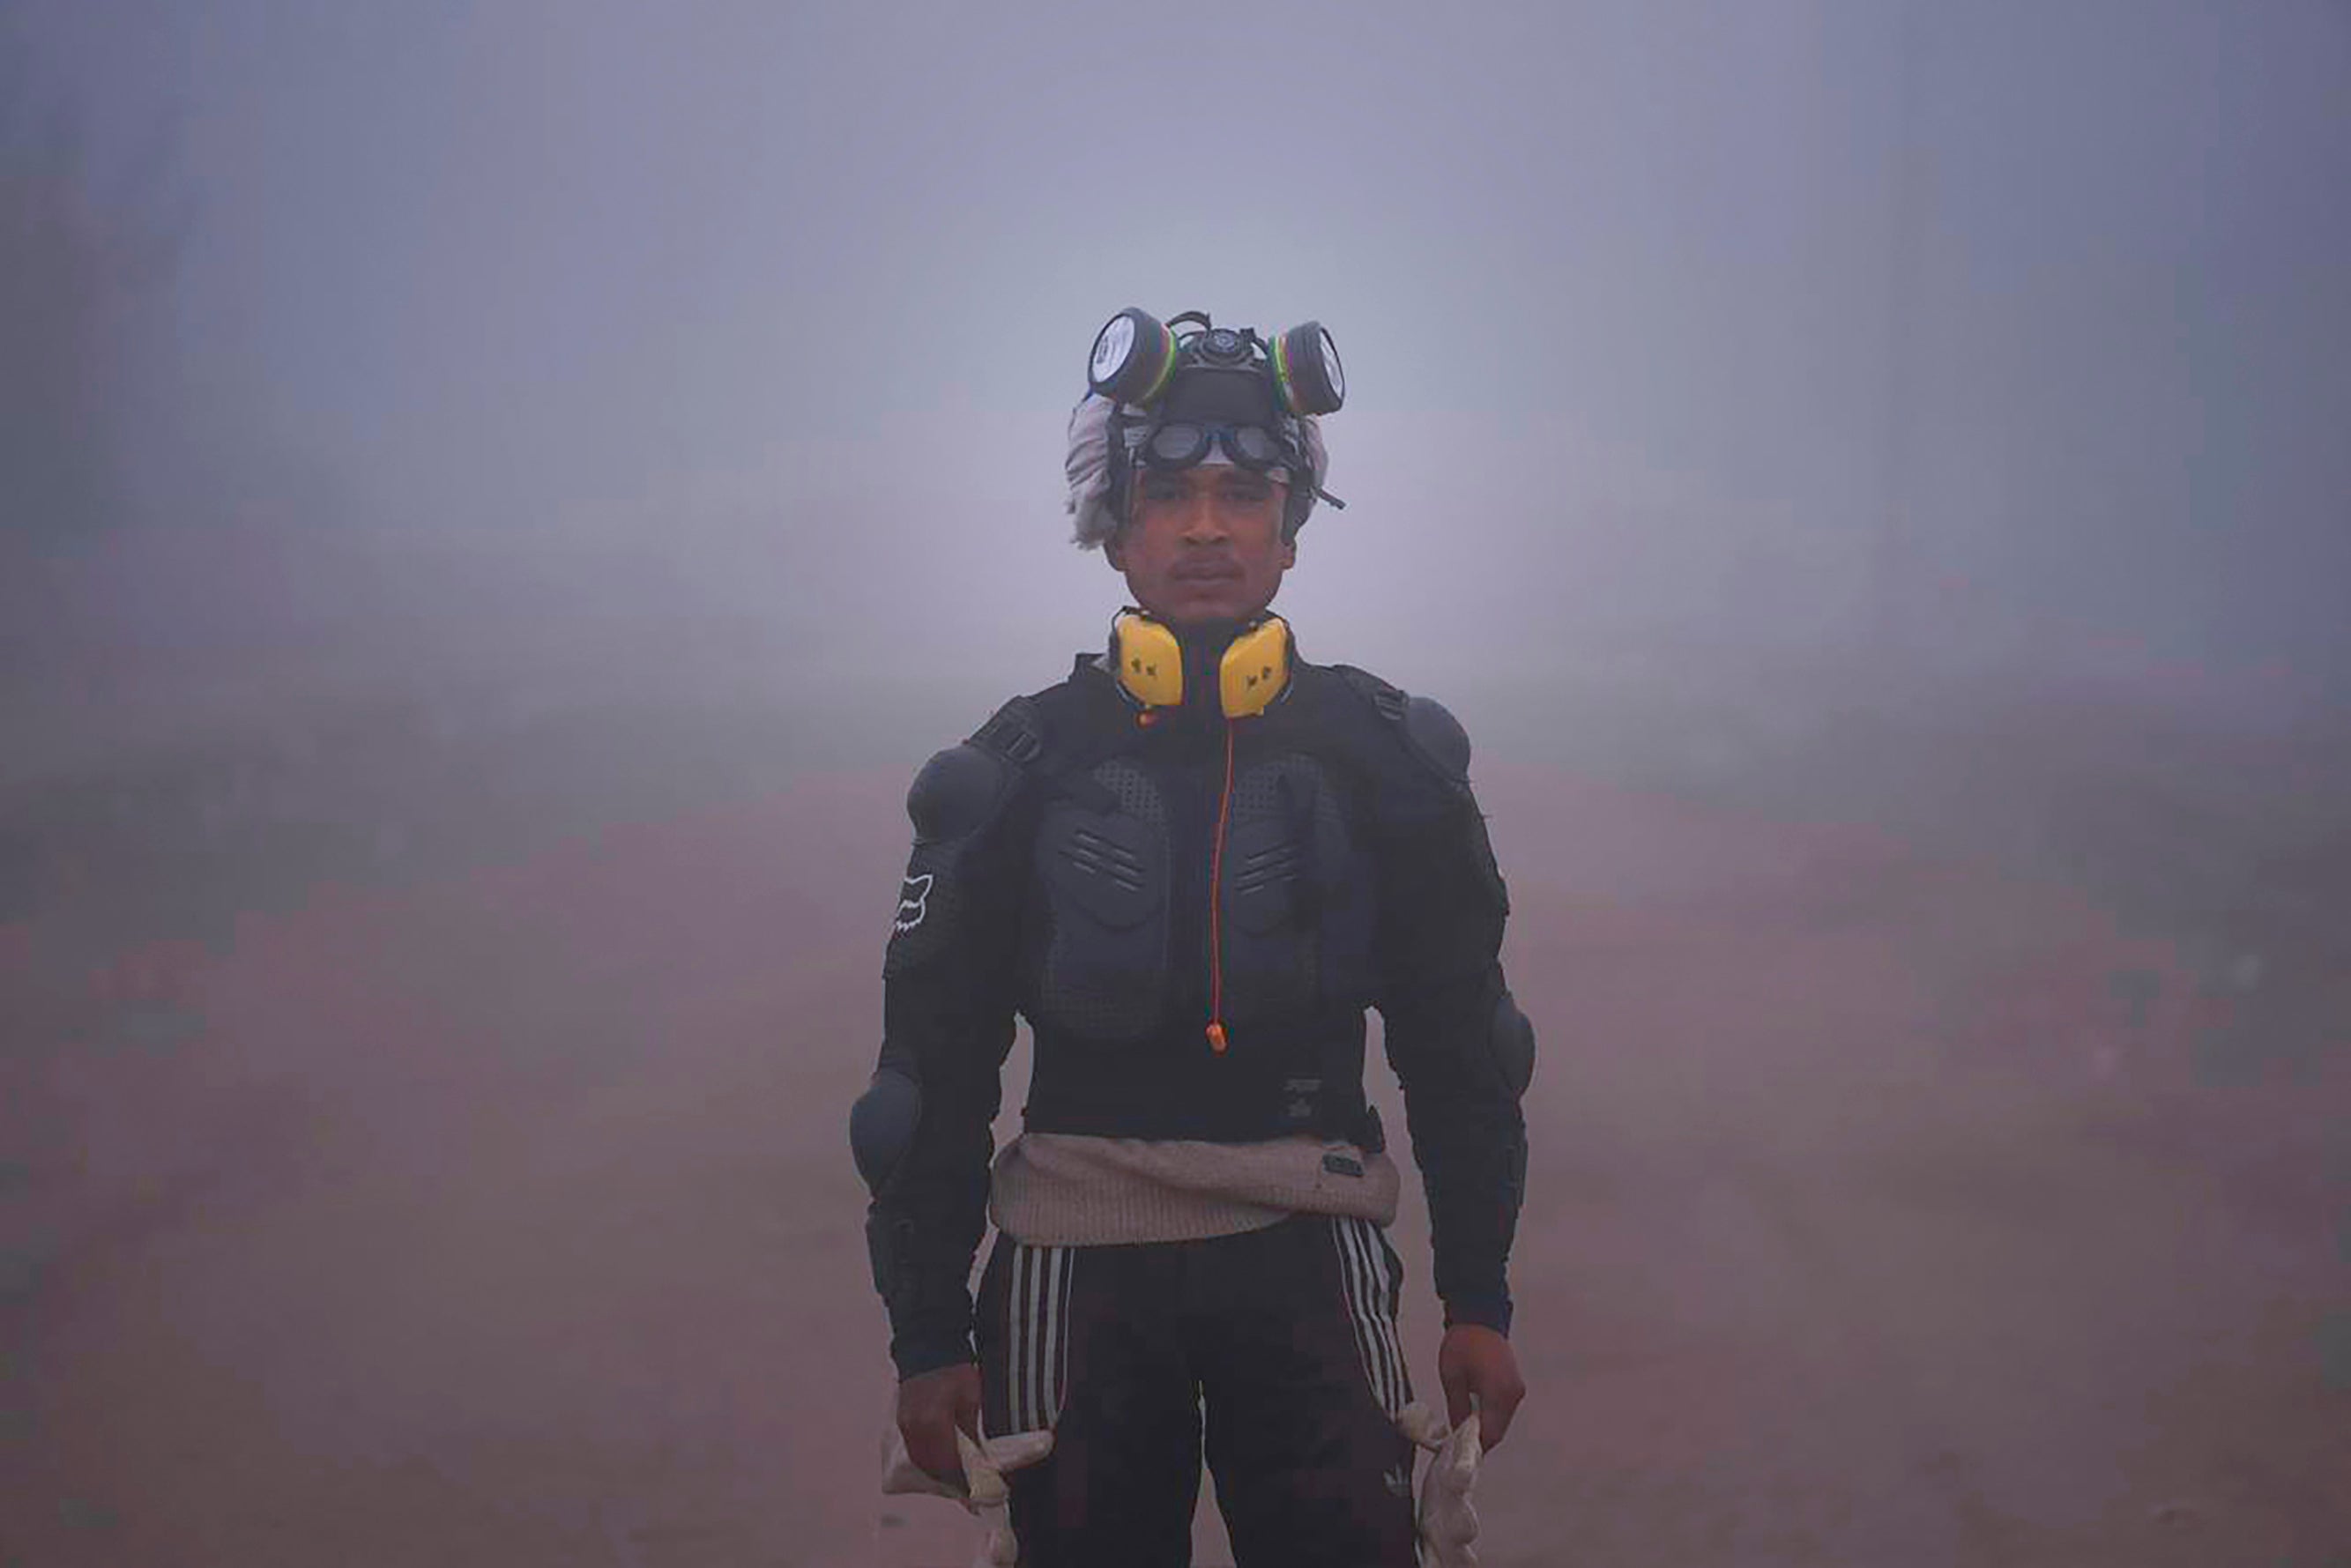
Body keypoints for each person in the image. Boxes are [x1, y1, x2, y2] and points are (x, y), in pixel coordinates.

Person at [851, 308, 1533, 1566]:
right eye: (1168, 491)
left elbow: (1461, 1050)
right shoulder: (1014, 770)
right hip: (1073, 1271)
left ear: (1294, 521)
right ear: (1110, 522)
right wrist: (930, 1339)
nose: (1208, 525)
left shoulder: (1388, 763)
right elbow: (926, 1081)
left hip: (1315, 1263)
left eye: (1243, 490)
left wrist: (1477, 1301)